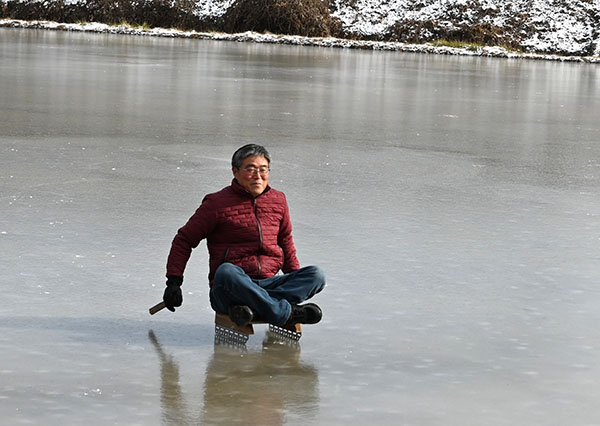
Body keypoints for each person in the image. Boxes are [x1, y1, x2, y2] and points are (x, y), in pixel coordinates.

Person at [162, 144, 325, 327]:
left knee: (316, 275)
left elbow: (285, 241)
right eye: (250, 169)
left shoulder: (278, 200)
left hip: (269, 283)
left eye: (263, 170)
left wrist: (294, 278)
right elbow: (184, 240)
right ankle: (285, 313)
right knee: (226, 271)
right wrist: (174, 282)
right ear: (235, 171)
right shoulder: (216, 203)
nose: (258, 175)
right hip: (232, 288)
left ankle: (256, 308)